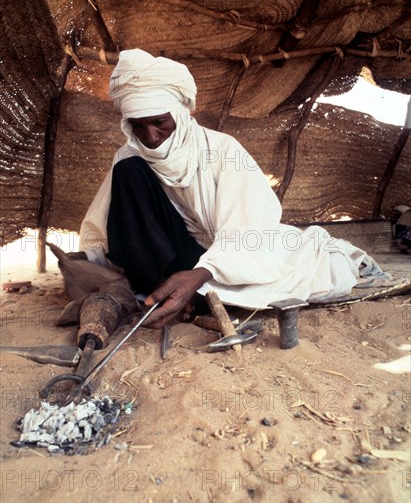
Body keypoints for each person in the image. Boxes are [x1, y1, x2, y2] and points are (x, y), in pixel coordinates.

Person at [79, 48, 389, 329]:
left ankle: (186, 297)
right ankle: (163, 294)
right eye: (138, 125)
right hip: (175, 260)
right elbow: (116, 221)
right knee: (128, 171)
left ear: (181, 114)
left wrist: (198, 275)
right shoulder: (131, 155)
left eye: (160, 122)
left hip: (225, 257)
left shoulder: (223, 151)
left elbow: (250, 230)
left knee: (282, 273)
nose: (151, 137)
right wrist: (89, 262)